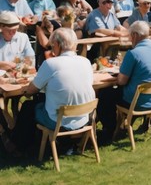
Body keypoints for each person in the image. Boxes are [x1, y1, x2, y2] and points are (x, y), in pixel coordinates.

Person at [6, 27, 95, 155]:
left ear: (58, 45)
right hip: (83, 118)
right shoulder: (86, 62)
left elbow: (31, 90)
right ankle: (64, 143)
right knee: (42, 102)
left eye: (52, 46)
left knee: (28, 106)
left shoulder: (51, 64)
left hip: (59, 121)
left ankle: (20, 145)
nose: (52, 50)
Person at [96, 20, 151, 141]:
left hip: (138, 101)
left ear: (135, 35)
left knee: (105, 94)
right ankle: (121, 125)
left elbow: (121, 81)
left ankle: (109, 130)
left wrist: (117, 76)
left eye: (130, 36)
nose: (130, 39)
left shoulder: (133, 54)